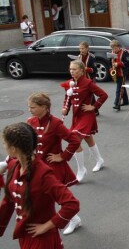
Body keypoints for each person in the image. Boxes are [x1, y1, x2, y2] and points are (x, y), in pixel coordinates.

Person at [0, 122, 80, 248]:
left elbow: (72, 204)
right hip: (25, 235)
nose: (4, 146)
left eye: (4, 143)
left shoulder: (44, 175)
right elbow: (8, 200)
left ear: (14, 148)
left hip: (42, 240)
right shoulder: (13, 165)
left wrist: (47, 226)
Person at [26, 92, 83, 235]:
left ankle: (69, 220)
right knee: (48, 197)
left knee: (56, 196)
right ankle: (73, 219)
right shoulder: (30, 122)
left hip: (52, 168)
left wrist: (62, 156)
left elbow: (74, 140)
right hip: (37, 166)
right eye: (29, 107)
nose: (30, 110)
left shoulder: (56, 123)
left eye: (33, 107)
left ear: (44, 107)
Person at [61, 60, 108, 182]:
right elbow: (68, 98)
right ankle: (99, 160)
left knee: (75, 140)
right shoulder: (70, 83)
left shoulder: (88, 83)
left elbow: (103, 95)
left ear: (82, 71)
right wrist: (65, 108)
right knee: (88, 138)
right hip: (76, 117)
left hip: (86, 116)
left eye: (75, 69)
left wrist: (93, 106)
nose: (72, 71)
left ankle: (81, 169)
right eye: (70, 69)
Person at [110, 39, 129, 111]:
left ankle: (117, 104)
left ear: (118, 46)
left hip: (123, 73)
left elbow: (127, 63)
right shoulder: (112, 52)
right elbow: (112, 62)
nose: (114, 50)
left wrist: (118, 64)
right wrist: (112, 68)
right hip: (117, 72)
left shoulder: (124, 52)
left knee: (119, 89)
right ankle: (125, 101)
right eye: (112, 48)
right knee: (122, 87)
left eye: (115, 48)